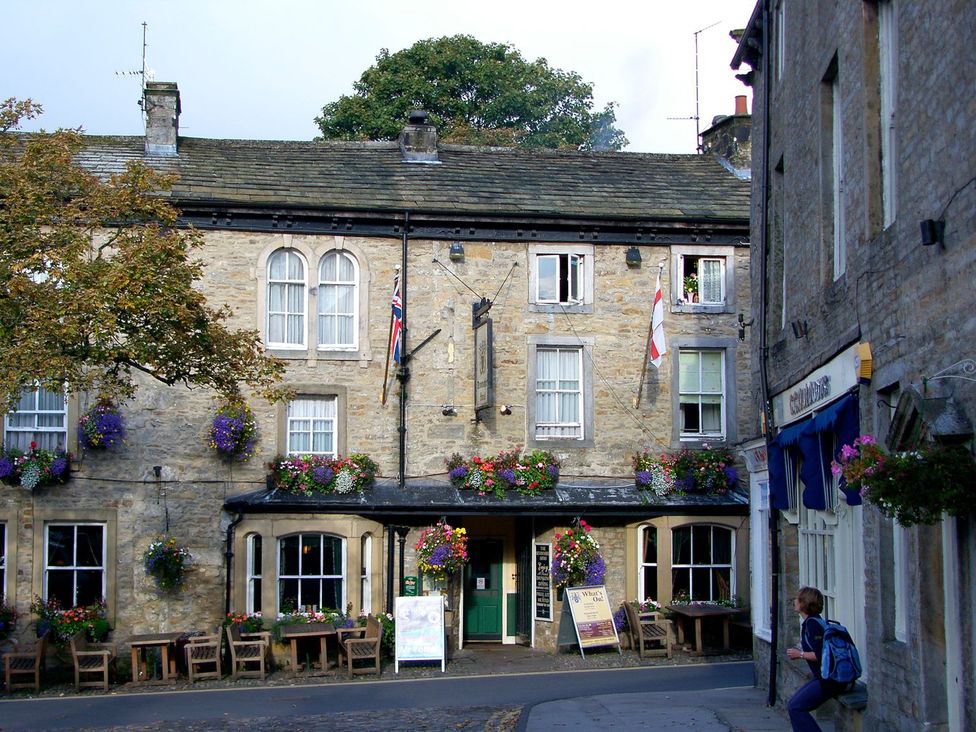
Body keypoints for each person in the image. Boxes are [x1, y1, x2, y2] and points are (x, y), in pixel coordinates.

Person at [786, 586, 845, 731]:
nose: (794, 601)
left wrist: (799, 654)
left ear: (804, 603)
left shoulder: (813, 625)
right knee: (793, 704)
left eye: (797, 598)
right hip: (823, 678)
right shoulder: (813, 622)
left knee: (796, 707)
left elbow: (821, 655)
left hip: (829, 680)